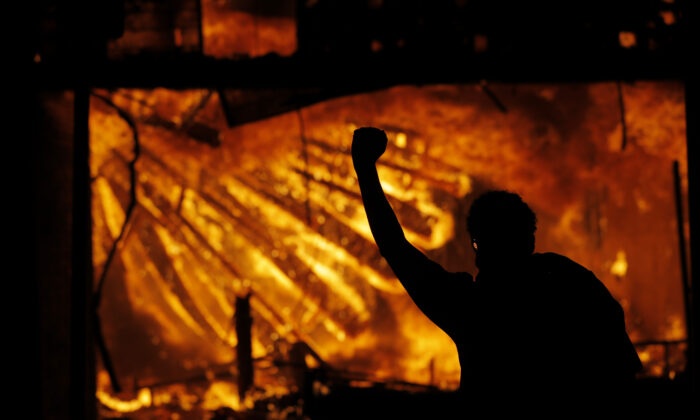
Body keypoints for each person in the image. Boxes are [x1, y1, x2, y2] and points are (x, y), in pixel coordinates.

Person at [351, 126, 642, 404]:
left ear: (477, 246)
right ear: (530, 241)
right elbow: (624, 370)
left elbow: (395, 248)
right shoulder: (572, 283)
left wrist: (365, 169)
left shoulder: (472, 308)